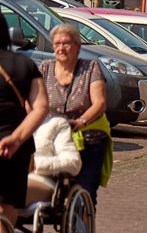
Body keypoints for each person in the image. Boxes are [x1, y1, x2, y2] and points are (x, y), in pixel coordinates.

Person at [40, 24, 110, 207]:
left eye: (66, 43)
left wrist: (81, 121)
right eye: (57, 44)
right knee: (44, 186)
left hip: (88, 135)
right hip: (54, 136)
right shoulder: (45, 69)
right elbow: (34, 102)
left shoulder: (91, 68)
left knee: (85, 188)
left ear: (78, 47)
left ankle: (83, 220)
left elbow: (100, 103)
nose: (61, 48)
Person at [0, 17, 48, 233]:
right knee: (8, 208)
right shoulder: (24, 64)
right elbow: (41, 107)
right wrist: (17, 138)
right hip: (12, 148)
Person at [26, 115, 82, 205]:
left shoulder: (56, 124)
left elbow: (73, 162)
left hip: (40, 179)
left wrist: (36, 164)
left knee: (13, 191)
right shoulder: (7, 123)